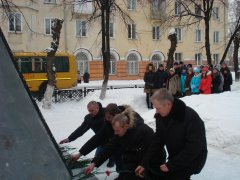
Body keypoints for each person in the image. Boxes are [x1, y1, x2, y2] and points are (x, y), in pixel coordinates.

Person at [135, 88, 207, 180]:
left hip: (194, 158)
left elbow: (194, 147)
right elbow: (158, 140)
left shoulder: (190, 117)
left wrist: (172, 164)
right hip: (176, 156)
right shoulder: (161, 116)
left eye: (158, 108)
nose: (156, 112)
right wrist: (144, 163)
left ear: (168, 104)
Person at [84, 106, 154, 180]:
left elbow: (153, 150)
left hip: (150, 164)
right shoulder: (120, 133)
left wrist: (143, 165)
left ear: (126, 126)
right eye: (114, 130)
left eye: (117, 130)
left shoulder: (144, 132)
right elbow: (109, 147)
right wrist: (94, 163)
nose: (115, 133)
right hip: (133, 162)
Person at [70, 103, 133, 170]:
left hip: (129, 154)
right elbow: (97, 138)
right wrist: (80, 154)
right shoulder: (108, 122)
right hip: (114, 148)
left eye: (109, 117)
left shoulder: (133, 127)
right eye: (106, 117)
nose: (106, 119)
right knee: (119, 165)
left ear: (116, 116)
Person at [59, 101, 115, 165]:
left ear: (97, 108)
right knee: (97, 157)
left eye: (92, 110)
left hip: (112, 139)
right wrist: (69, 138)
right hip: (99, 139)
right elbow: (81, 129)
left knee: (111, 152)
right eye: (89, 111)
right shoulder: (89, 118)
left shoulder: (107, 114)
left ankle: (112, 159)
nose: (90, 113)